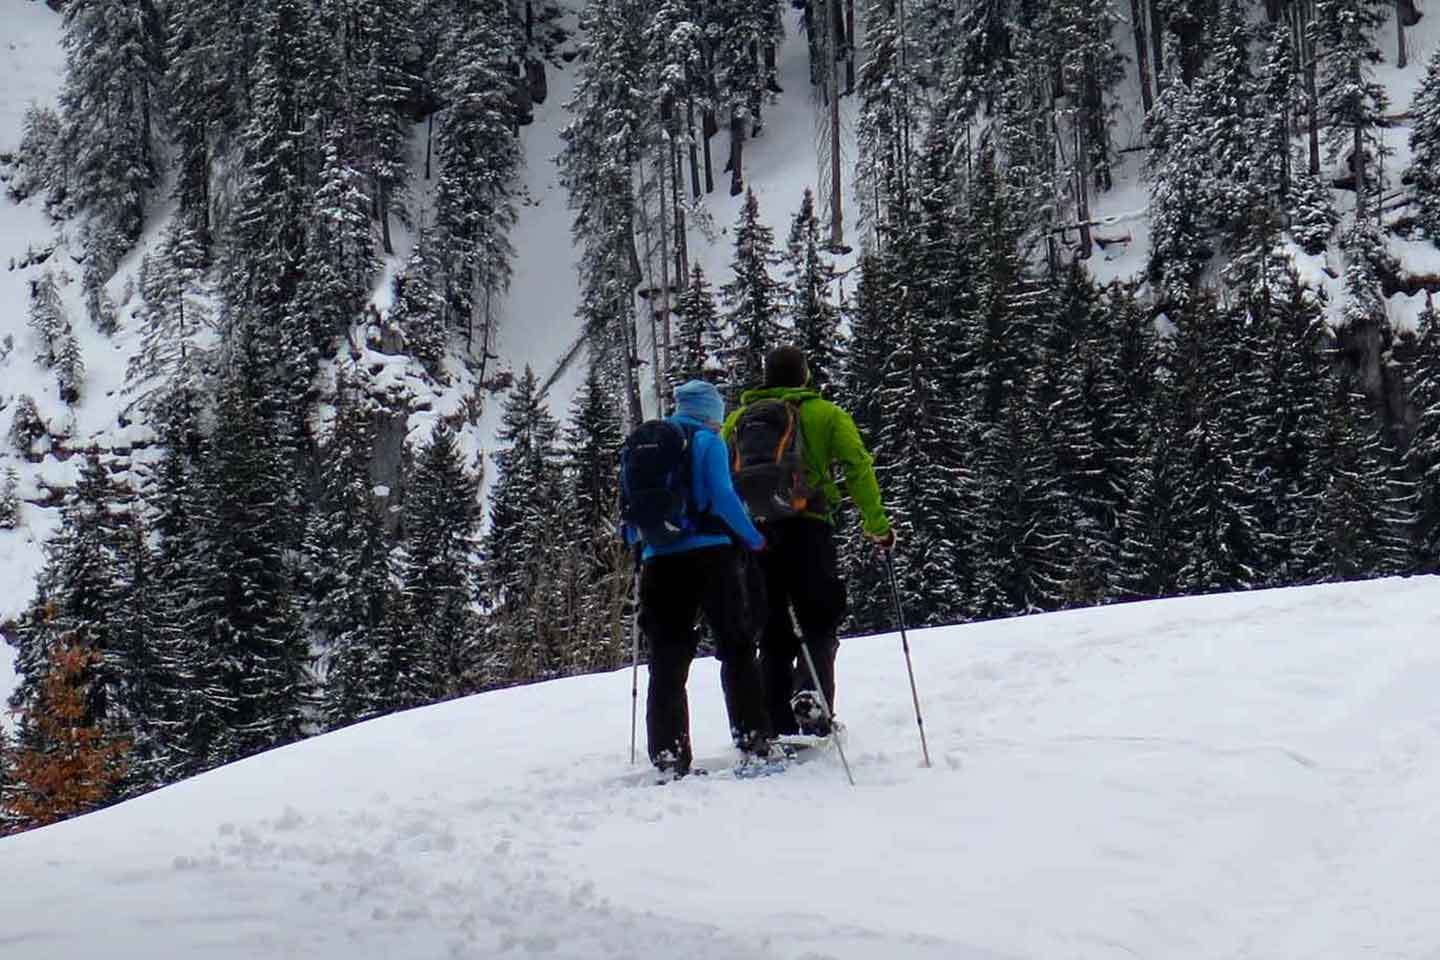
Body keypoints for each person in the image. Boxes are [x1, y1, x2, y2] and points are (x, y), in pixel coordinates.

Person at [722, 346, 894, 736]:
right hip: (809, 526)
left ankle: (776, 720)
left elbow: (721, 479)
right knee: (819, 619)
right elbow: (857, 465)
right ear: (804, 376)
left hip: (756, 536)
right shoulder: (825, 414)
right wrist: (877, 524)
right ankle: (812, 696)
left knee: (772, 628)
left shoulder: (736, 420)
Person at [625, 379, 776, 778]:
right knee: (737, 646)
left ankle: (669, 755)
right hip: (711, 557)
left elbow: (630, 513)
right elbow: (724, 498)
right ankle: (752, 737)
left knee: (667, 658)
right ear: (712, 410)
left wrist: (642, 549)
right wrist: (755, 539)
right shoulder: (707, 442)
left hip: (659, 561)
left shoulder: (646, 446)